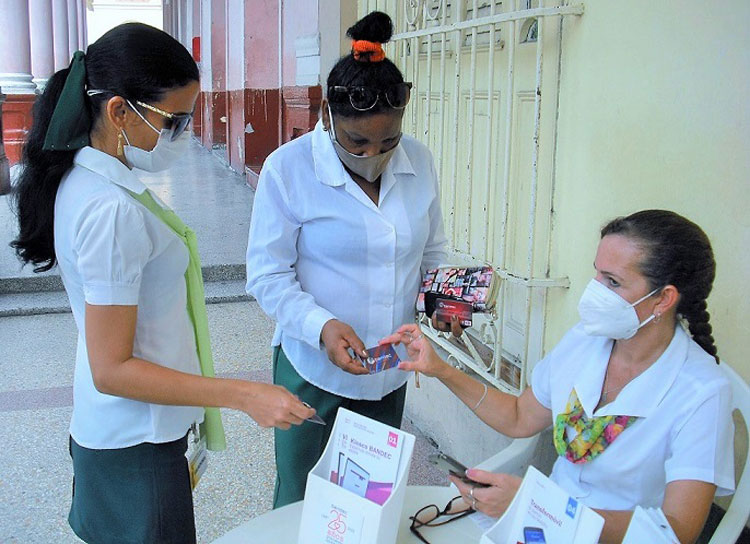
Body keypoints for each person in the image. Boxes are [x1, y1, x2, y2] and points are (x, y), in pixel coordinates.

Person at [11, 23, 313, 543]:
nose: (184, 133)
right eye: (174, 120)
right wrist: (242, 394)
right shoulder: (109, 210)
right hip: (135, 443)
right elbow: (113, 369)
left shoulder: (91, 182)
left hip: (126, 432)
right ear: (119, 112)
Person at [383, 210, 735, 544]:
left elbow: (675, 531)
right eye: (597, 273)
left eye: (612, 282)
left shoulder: (702, 392)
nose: (593, 291)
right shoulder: (587, 340)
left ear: (663, 300)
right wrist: (440, 369)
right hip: (540, 529)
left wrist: (540, 507)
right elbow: (520, 417)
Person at [246, 11, 448, 508]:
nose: (373, 154)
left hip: (387, 370)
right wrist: (321, 326)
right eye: (356, 141)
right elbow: (267, 274)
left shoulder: (418, 162)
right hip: (311, 369)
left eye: (388, 141)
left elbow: (433, 253)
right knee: (301, 496)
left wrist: (441, 300)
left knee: (368, 496)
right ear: (324, 117)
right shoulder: (288, 169)